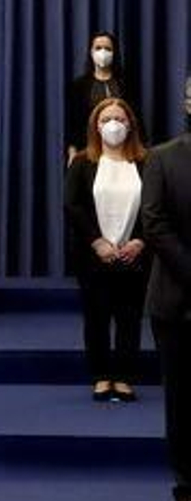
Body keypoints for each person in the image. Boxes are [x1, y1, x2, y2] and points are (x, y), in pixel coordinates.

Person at [66, 99, 149, 403]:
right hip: (93, 255)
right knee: (96, 317)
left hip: (134, 255)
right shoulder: (82, 162)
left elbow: (156, 206)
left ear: (131, 125)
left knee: (129, 317)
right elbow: (72, 205)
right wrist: (97, 242)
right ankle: (101, 375)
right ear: (96, 126)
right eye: (106, 119)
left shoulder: (146, 161)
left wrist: (140, 241)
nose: (113, 125)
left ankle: (124, 376)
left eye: (120, 119)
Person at [143, 116, 191, 501]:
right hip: (177, 301)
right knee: (182, 403)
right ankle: (187, 492)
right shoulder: (162, 158)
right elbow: (154, 223)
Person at [66, 31, 136, 163]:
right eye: (98, 48)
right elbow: (73, 124)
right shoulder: (79, 86)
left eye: (107, 49)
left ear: (114, 53)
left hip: (122, 150)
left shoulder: (126, 84)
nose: (103, 52)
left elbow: (134, 118)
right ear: (91, 52)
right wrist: (72, 152)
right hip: (88, 150)